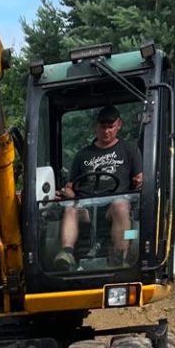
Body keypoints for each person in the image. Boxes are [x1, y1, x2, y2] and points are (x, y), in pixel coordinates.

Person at [54, 105, 143, 270]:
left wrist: (141, 181)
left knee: (121, 205)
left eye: (111, 127)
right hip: (86, 206)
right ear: (96, 126)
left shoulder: (130, 150)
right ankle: (66, 254)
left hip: (114, 204)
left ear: (119, 125)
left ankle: (120, 258)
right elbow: (71, 186)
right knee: (70, 209)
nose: (107, 131)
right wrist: (68, 194)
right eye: (103, 127)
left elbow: (139, 178)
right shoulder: (83, 155)